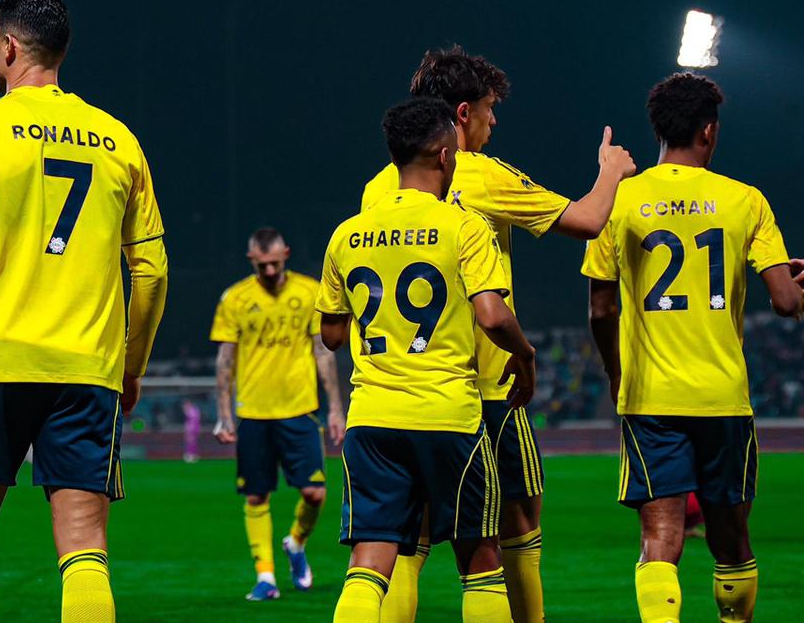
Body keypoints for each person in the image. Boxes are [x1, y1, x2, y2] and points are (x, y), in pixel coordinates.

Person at [0, 0, 169, 623]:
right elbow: (152, 270)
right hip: (86, 367)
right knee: (85, 547)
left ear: (8, 47)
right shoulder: (120, 140)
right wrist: (131, 366)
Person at [361, 46, 637, 622]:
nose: (494, 122)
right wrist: (610, 171)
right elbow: (588, 221)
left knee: (405, 541)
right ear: (463, 114)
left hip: (398, 392)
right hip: (487, 386)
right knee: (514, 524)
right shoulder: (482, 173)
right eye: (490, 110)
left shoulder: (379, 187)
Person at [584, 72, 804, 623]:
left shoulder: (620, 200)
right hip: (722, 396)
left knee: (660, 538)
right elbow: (785, 301)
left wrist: (616, 374)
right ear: (709, 130)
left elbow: (601, 310)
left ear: (658, 130)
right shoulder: (745, 200)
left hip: (652, 397)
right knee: (731, 540)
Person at [320, 96, 538, 622]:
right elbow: (492, 315)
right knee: (480, 559)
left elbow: (331, 334)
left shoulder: (347, 234)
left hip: (372, 419)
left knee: (370, 560)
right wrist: (525, 353)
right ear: (445, 156)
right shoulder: (463, 227)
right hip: (446, 414)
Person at [211, 227, 346, 600]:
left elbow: (323, 351)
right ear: (251, 260)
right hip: (254, 412)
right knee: (256, 497)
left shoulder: (309, 292)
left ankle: (296, 543)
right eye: (262, 265)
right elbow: (225, 359)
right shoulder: (236, 298)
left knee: (315, 493)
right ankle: (266, 578)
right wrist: (224, 413)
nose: (269, 271)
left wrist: (335, 409)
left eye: (274, 263)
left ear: (285, 253)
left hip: (299, 410)